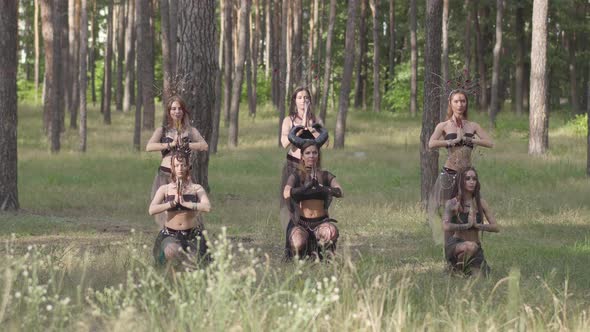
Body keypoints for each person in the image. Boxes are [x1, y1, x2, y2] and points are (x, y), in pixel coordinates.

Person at [427, 89, 493, 243]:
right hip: (449, 174)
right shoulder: (443, 125)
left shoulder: (472, 126)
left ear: (466, 103)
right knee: (447, 212)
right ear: (450, 103)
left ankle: (468, 249)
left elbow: (489, 142)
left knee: (468, 210)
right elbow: (431, 143)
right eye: (456, 101)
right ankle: (449, 251)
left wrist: (472, 140)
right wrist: (451, 141)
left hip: (465, 176)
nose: (460, 104)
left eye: (463, 101)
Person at [146, 96, 208, 225]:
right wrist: (170, 144)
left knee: (189, 207)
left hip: (184, 175)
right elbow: (149, 147)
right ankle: (168, 237)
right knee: (165, 209)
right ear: (169, 112)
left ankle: (194, 236)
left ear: (184, 111)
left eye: (180, 108)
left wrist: (186, 145)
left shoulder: (191, 131)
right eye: (173, 108)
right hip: (165, 175)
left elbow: (204, 145)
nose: (177, 111)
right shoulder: (162, 130)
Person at [283, 125, 341, 260]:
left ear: (318, 155)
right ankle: (300, 259)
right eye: (308, 153)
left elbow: (340, 191)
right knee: (297, 242)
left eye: (314, 153)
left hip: (321, 222)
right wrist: (303, 189)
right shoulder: (296, 175)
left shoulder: (325, 175)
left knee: (331, 232)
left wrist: (324, 188)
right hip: (301, 223)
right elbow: (286, 193)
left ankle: (325, 257)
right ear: (302, 156)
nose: (311, 156)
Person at [149, 151, 211, 268]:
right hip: (170, 234)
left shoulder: (196, 188)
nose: (180, 168)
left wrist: (187, 204)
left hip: (192, 234)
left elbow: (207, 207)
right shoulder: (165, 189)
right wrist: (171, 204)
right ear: (172, 168)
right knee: (171, 251)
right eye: (176, 165)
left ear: (188, 167)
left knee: (197, 263)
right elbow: (152, 210)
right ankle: (169, 271)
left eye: (183, 165)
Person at [279, 87, 325, 231]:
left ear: (310, 101)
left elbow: (326, 141)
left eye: (306, 97)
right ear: (294, 100)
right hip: (293, 165)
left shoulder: (316, 120)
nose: (303, 101)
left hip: (312, 167)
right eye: (299, 97)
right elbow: (285, 143)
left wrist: (310, 128)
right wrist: (299, 128)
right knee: (291, 200)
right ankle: (292, 233)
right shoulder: (288, 120)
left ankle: (313, 233)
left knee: (312, 200)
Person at [442, 167, 499, 276]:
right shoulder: (452, 203)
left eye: (474, 179)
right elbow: (445, 226)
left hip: (476, 248)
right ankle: (457, 271)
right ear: (461, 182)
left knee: (480, 277)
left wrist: (478, 226)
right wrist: (466, 225)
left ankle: (458, 269)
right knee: (470, 246)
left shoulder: (481, 203)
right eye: (467, 179)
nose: (471, 182)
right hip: (457, 245)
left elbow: (496, 227)